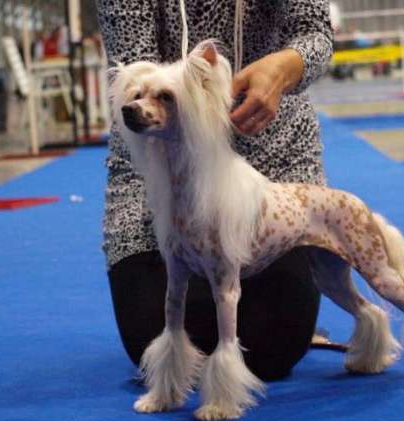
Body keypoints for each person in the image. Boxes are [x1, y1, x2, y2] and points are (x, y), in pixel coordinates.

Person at [97, 0, 333, 381]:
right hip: (156, 178)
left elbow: (315, 32)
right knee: (151, 335)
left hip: (275, 172)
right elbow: (134, 80)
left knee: (270, 346)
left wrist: (285, 66)